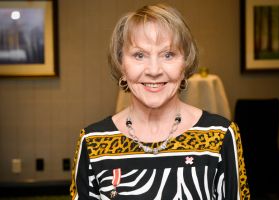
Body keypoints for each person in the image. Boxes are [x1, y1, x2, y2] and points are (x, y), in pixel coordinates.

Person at [70, 3, 250, 200]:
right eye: (139, 55)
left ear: (185, 63)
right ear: (121, 64)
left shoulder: (220, 136)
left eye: (168, 54)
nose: (154, 70)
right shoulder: (93, 142)